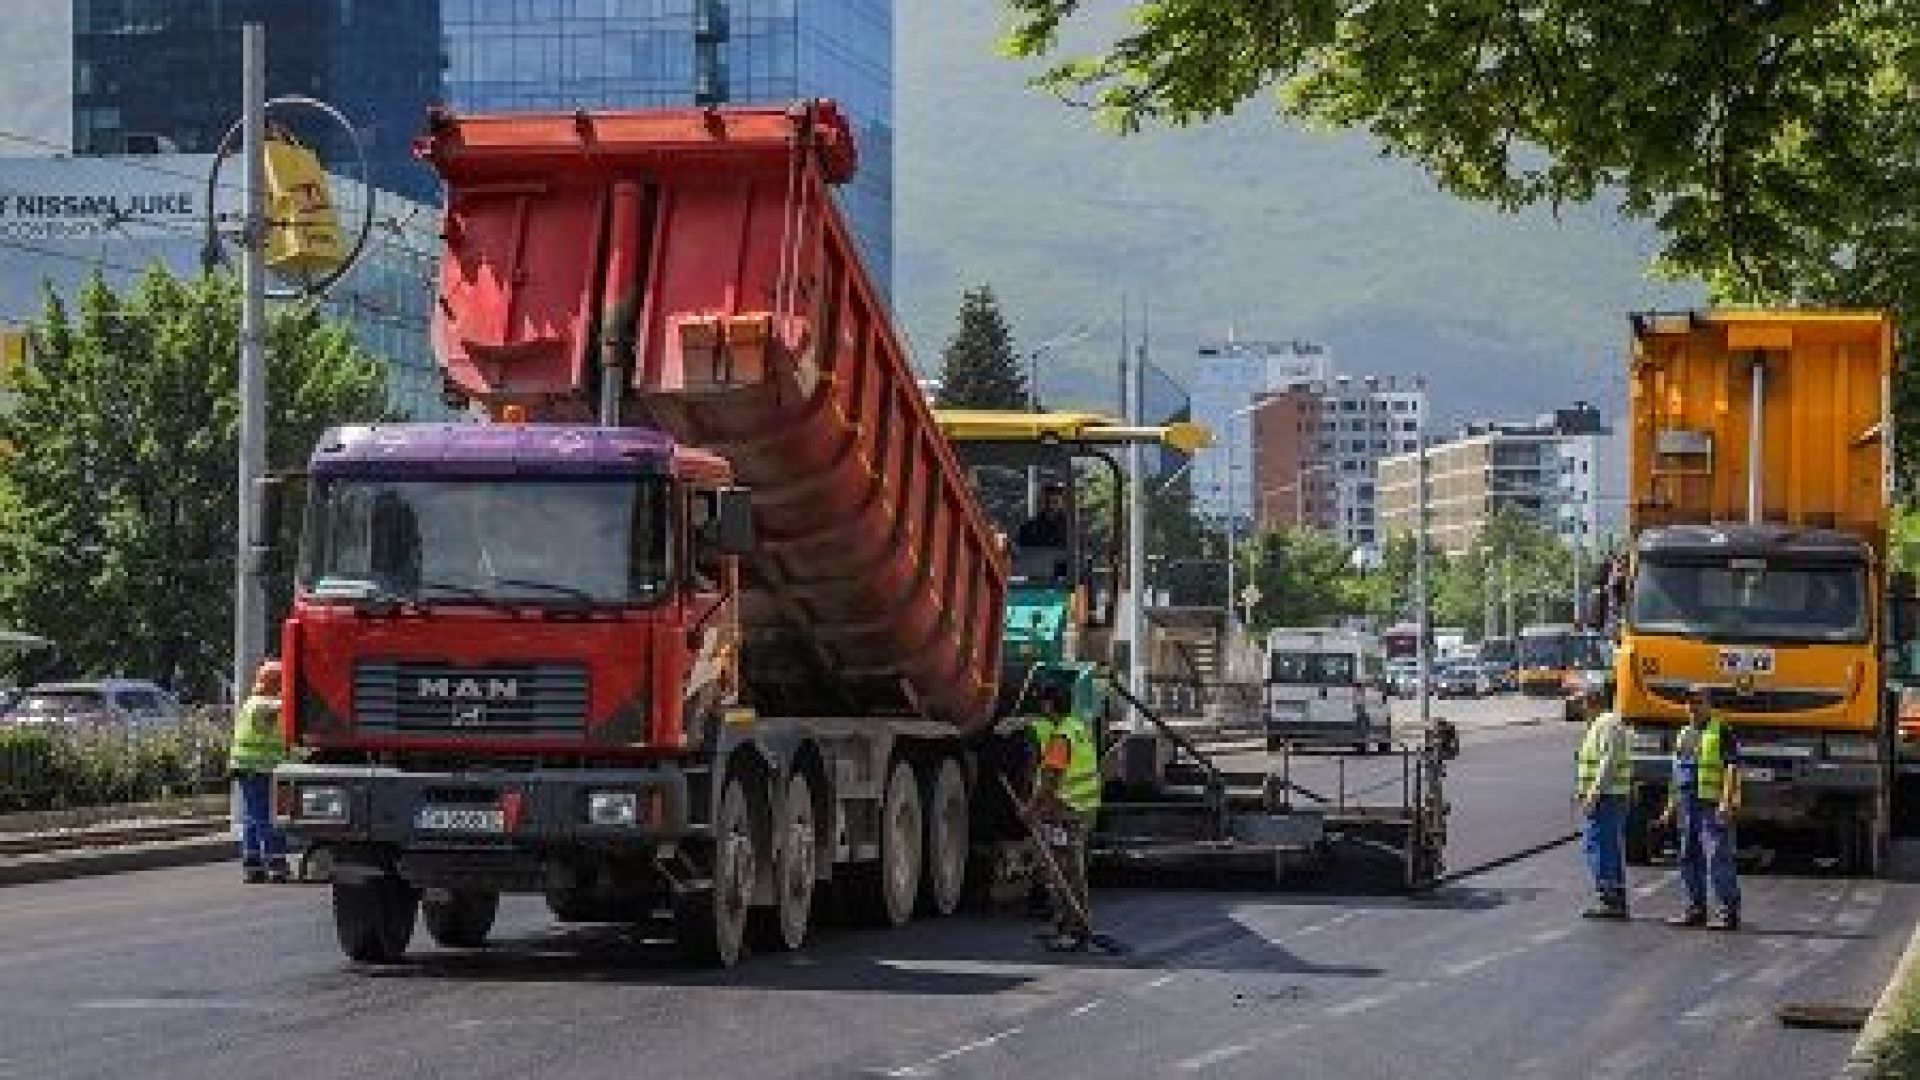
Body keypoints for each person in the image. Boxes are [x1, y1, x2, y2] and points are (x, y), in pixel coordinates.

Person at [1022, 679, 1101, 951]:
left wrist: (1031, 810)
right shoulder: (1078, 728)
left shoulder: (1060, 738)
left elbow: (1051, 782)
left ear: (1049, 704)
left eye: (1043, 702)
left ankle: (1071, 929)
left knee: (1061, 874)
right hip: (1081, 811)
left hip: (1064, 813)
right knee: (1073, 873)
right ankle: (1074, 925)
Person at [1660, 690, 1742, 930]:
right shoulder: (1684, 734)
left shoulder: (1722, 731)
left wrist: (1726, 801)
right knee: (1688, 855)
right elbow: (1677, 774)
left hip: (1712, 804)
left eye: (1698, 702)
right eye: (1689, 702)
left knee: (1718, 856)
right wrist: (1670, 806)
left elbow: (1732, 768)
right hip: (1688, 804)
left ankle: (1728, 912)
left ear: (1709, 705)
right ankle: (1695, 909)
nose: (1693, 707)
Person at [229, 659, 292, 884]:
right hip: (258, 768)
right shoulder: (264, 705)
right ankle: (276, 863)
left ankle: (253, 863)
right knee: (268, 817)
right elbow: (285, 706)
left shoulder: (252, 702)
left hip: (248, 767)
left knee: (253, 817)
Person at [1575, 700, 1632, 919]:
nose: (1581, 708)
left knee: (1599, 846)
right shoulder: (1600, 723)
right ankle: (1614, 897)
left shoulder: (1608, 723)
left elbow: (1608, 761)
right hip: (1606, 796)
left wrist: (1593, 794)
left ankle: (1610, 899)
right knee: (1606, 846)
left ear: (1592, 701)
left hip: (1606, 797)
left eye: (1582, 702)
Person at [1015, 483, 1071, 550]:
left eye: (1055, 502)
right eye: (1047, 501)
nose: (1051, 506)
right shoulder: (1027, 529)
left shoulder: (1071, 530)